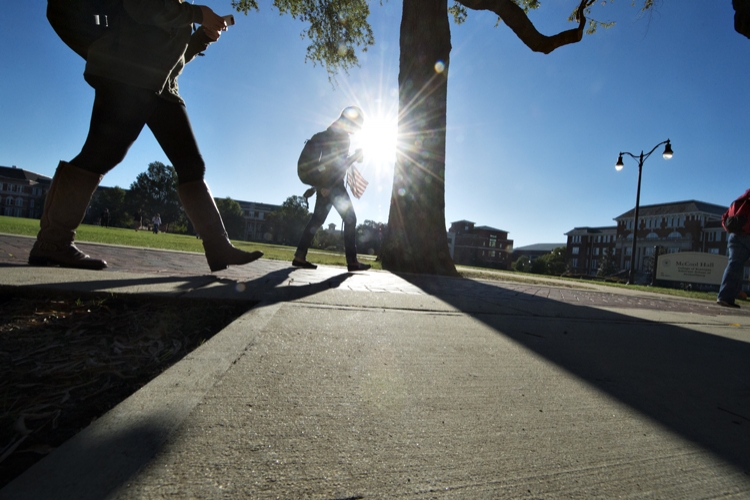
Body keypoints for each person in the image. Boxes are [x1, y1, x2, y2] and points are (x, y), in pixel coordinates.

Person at [28, 0, 262, 272]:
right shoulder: (179, 8)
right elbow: (143, 7)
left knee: (191, 165)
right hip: (127, 77)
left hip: (161, 88)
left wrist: (202, 38)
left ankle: (218, 247)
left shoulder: (179, 7)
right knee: (99, 155)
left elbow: (172, 54)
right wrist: (198, 14)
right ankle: (52, 242)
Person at [292, 106, 370, 272]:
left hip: (324, 183)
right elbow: (336, 165)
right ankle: (352, 262)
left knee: (317, 220)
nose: (358, 129)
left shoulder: (330, 133)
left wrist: (321, 185)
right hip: (333, 184)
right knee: (350, 219)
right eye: (358, 125)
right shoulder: (341, 137)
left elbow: (327, 163)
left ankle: (300, 256)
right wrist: (355, 157)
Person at [717, 188, 750, 308]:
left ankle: (725, 297)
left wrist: (732, 231)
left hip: (734, 236)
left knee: (733, 265)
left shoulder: (737, 201)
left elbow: (724, 218)